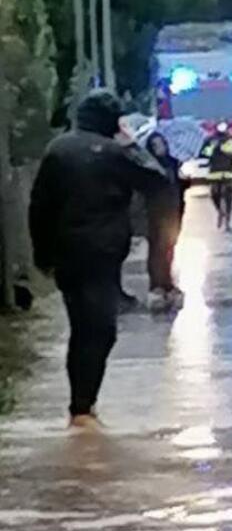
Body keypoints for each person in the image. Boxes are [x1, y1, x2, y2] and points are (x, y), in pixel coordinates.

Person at [28, 89, 169, 428]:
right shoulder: (113, 153)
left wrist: (42, 255)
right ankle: (82, 408)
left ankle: (81, 409)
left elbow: (39, 208)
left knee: (83, 328)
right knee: (101, 330)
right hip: (101, 255)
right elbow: (157, 179)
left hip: (66, 256)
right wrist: (132, 142)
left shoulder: (57, 150)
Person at [144, 130, 186, 312]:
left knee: (169, 249)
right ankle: (157, 285)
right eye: (155, 145)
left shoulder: (173, 163)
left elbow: (181, 187)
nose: (159, 148)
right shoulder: (147, 166)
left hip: (173, 210)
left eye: (161, 143)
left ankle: (167, 283)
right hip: (154, 212)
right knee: (157, 249)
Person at [201, 121, 232, 232]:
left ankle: (228, 223)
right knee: (215, 195)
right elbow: (204, 152)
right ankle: (220, 212)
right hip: (214, 172)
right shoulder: (210, 140)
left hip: (228, 172)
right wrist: (213, 148)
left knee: (229, 198)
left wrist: (228, 151)